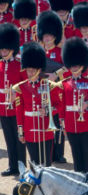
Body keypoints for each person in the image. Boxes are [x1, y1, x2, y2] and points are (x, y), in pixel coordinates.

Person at [13, 42, 60, 167]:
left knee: (46, 163)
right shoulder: (21, 87)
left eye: (32, 70)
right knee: (34, 163)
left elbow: (58, 105)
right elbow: (19, 110)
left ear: (39, 69)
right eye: (28, 70)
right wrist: (21, 131)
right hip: (29, 129)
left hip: (45, 127)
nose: (29, 73)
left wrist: (49, 111)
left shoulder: (49, 86)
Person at [59, 37, 88, 176]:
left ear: (82, 65)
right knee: (75, 154)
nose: (74, 67)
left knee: (86, 154)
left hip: (86, 123)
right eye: (72, 65)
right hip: (70, 123)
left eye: (77, 65)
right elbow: (62, 105)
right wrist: (62, 122)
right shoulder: (64, 84)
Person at [36, 10, 66, 163]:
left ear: (55, 36)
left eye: (50, 35)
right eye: (45, 35)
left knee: (57, 119)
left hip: (57, 89)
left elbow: (67, 67)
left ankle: (59, 153)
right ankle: (49, 151)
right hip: (42, 89)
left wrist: (57, 75)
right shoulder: (39, 52)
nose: (47, 38)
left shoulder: (60, 51)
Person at [0, 23, 27, 176]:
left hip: (17, 107)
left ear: (12, 48)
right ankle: (12, 166)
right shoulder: (0, 65)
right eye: (2, 49)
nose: (3, 51)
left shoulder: (19, 65)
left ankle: (21, 166)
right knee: (9, 139)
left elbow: (24, 86)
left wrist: (17, 96)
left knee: (19, 139)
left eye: (5, 49)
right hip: (3, 107)